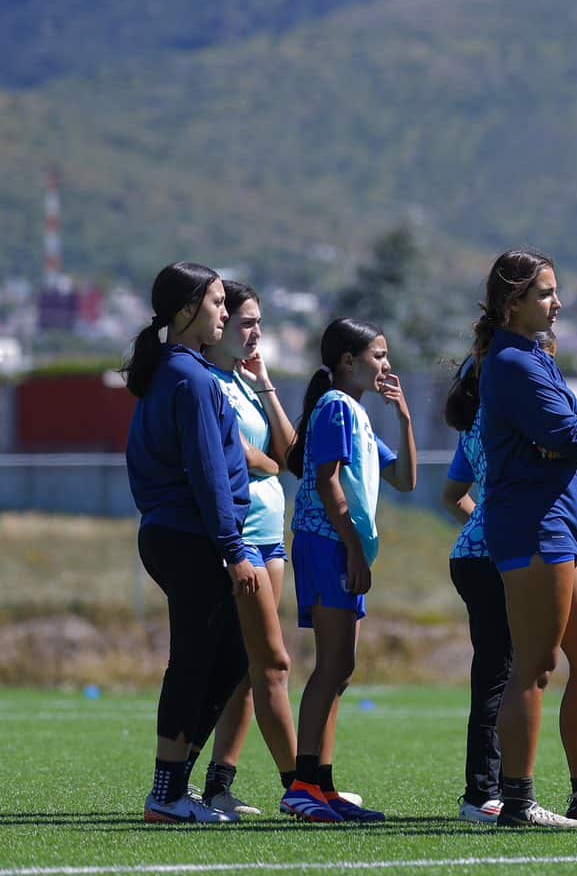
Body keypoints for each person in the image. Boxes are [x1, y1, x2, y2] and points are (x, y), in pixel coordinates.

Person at [475, 248, 577, 828]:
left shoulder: (535, 357)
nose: (557, 302)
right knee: (536, 665)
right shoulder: (513, 362)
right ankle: (517, 802)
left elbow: (573, 435)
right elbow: (574, 435)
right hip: (532, 525)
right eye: (545, 293)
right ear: (511, 301)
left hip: (565, 527)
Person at [124, 262, 259, 824]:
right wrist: (233, 550)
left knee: (228, 656)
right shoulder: (193, 379)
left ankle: (174, 787)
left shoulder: (175, 372)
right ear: (186, 312)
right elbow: (207, 471)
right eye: (217, 303)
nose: (224, 313)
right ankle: (168, 795)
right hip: (192, 538)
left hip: (172, 533)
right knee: (195, 661)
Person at [281, 318, 418, 823]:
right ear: (347, 361)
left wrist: (403, 417)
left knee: (341, 668)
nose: (385, 363)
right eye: (377, 355)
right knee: (332, 666)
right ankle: (301, 785)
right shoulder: (337, 406)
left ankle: (323, 786)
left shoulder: (356, 414)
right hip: (328, 544)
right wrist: (356, 549)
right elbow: (328, 483)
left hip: (339, 545)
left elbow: (403, 479)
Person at [196, 281, 304, 819]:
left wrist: (266, 386)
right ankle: (303, 787)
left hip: (269, 534)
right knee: (270, 662)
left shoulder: (244, 379)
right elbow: (237, 455)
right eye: (245, 321)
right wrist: (263, 461)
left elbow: (286, 454)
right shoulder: (205, 382)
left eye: (259, 321)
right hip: (238, 538)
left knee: (247, 665)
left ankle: (220, 784)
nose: (254, 331)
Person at [440, 353, 509, 825]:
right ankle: (482, 792)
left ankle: (493, 787)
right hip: (490, 561)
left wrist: (479, 524)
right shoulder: (503, 419)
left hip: (473, 554)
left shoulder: (478, 422)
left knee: (501, 673)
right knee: (499, 676)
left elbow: (452, 495)